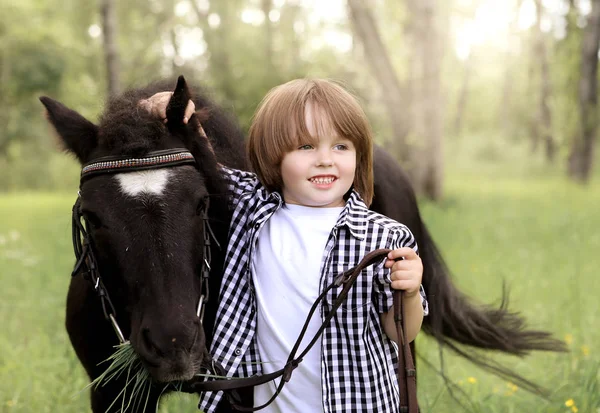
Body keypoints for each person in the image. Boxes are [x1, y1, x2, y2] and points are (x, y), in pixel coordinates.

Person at [142, 78, 428, 413]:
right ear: (272, 156)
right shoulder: (250, 208)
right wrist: (175, 112)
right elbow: (204, 159)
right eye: (305, 147)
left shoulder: (383, 236)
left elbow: (402, 332)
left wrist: (409, 292)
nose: (325, 160)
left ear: (359, 154)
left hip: (357, 402)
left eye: (341, 146)